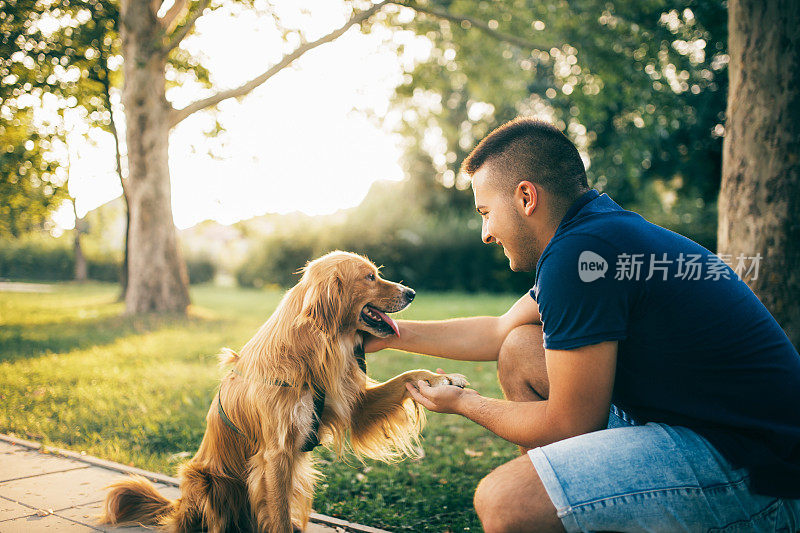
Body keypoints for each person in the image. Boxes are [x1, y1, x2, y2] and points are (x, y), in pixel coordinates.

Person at [364, 117, 800, 532]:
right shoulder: (593, 238)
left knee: (506, 502)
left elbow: (571, 424)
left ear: (525, 197)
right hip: (714, 434)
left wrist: (464, 402)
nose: (486, 233)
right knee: (519, 348)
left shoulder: (580, 255)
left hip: (762, 473)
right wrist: (391, 335)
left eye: (485, 211)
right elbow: (499, 331)